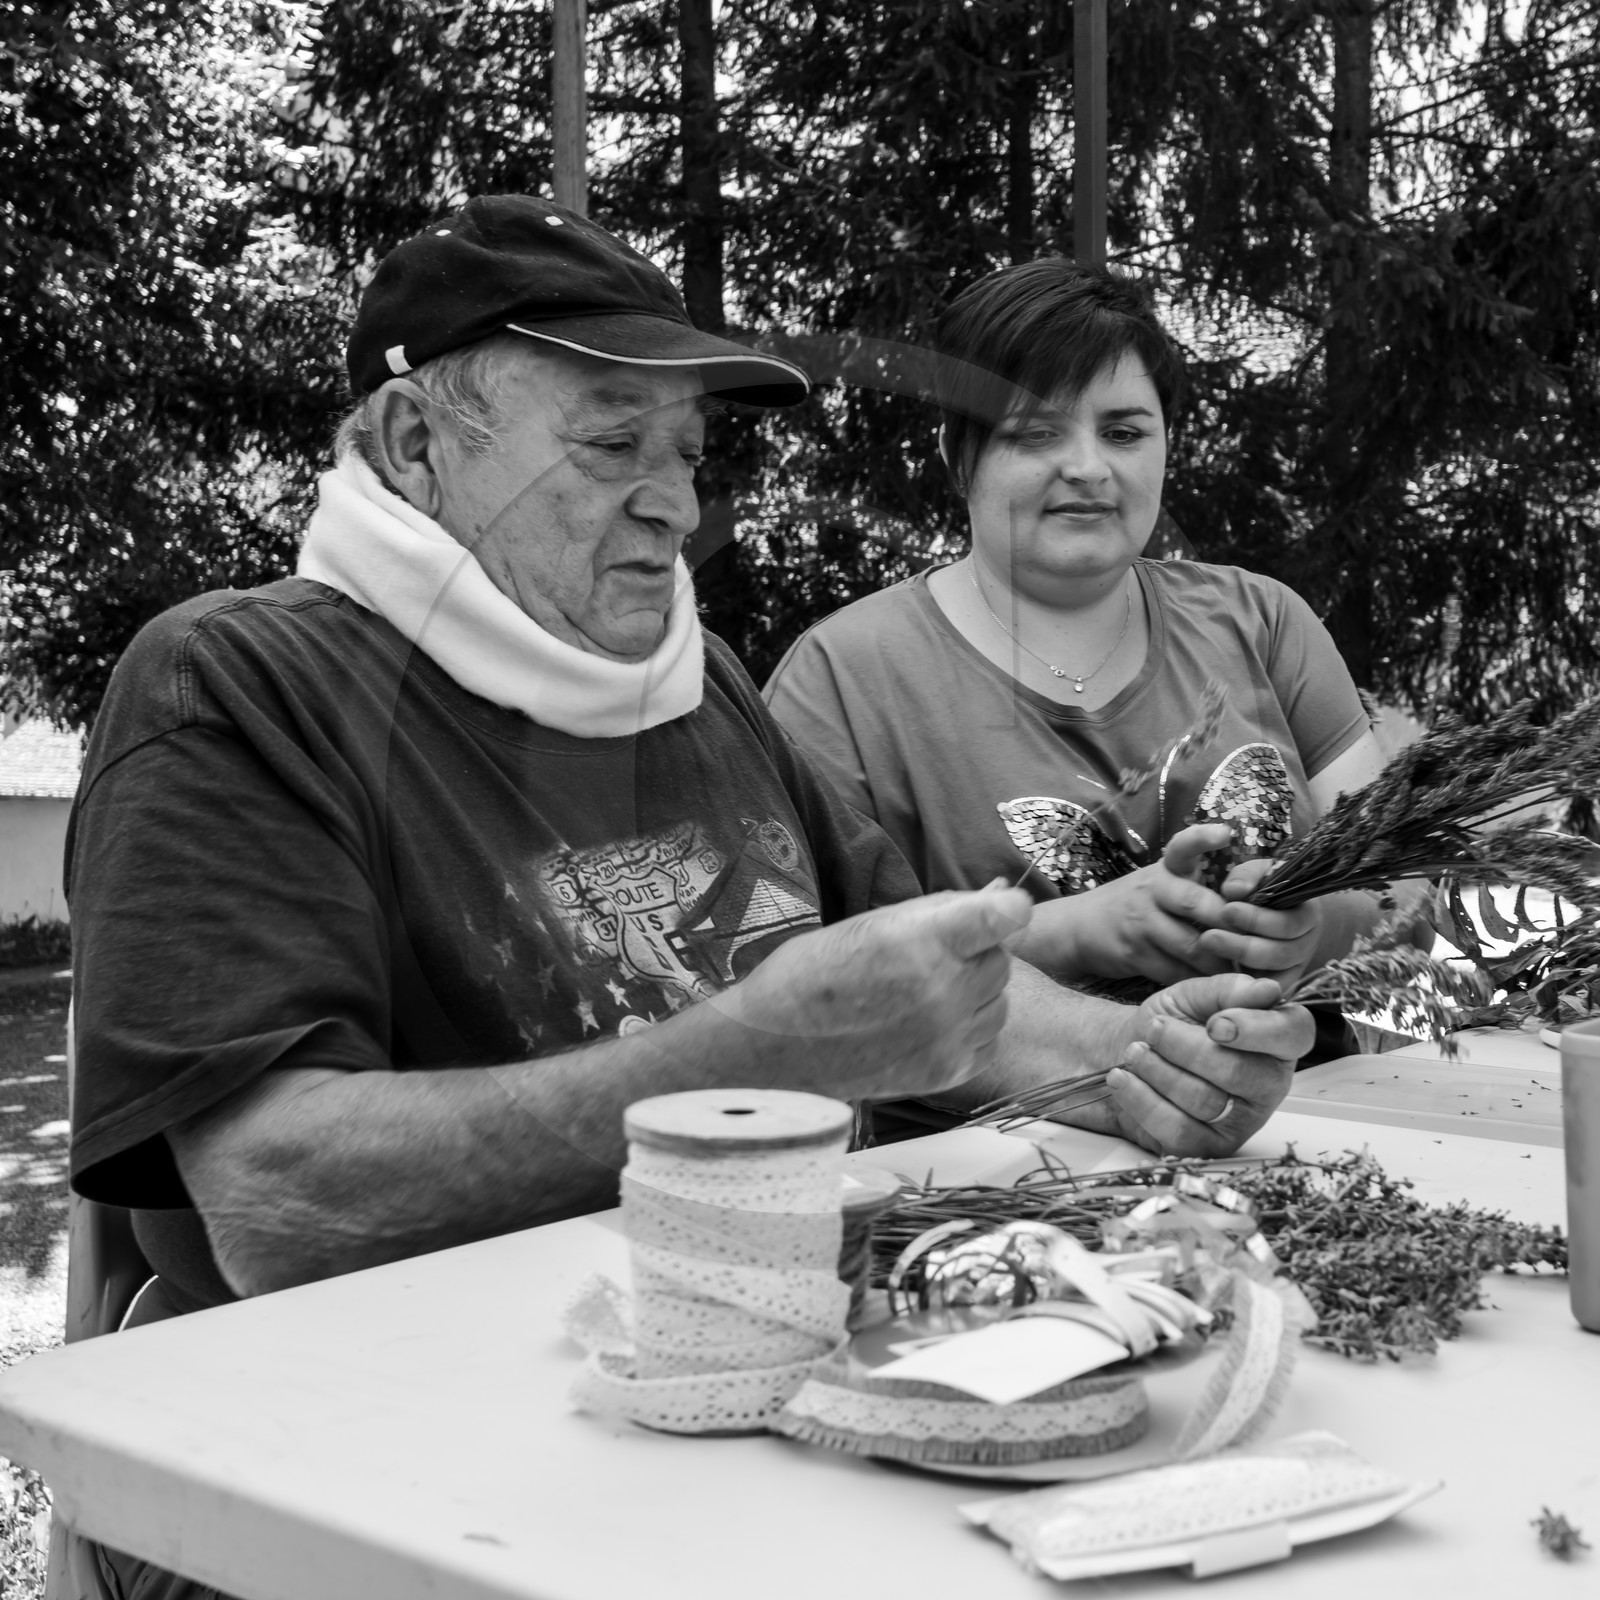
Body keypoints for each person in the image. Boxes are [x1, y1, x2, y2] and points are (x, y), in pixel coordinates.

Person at [64, 201, 1312, 1599]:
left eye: (688, 455)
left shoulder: (701, 678)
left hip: (731, 1425)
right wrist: (754, 1060)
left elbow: (930, 981)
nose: (678, 502)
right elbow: (273, 1202)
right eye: (611, 446)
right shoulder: (234, 685)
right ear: (417, 446)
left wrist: (1145, 1066)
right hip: (361, 1486)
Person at [765, 257, 1391, 1016]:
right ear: (955, 455)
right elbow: (809, 985)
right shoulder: (844, 678)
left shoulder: (1263, 620)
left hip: (1311, 1109)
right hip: (999, 1130)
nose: (1088, 468)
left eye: (1124, 432)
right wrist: (1077, 933)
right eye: (1034, 435)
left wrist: (1313, 923)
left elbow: (1396, 875)